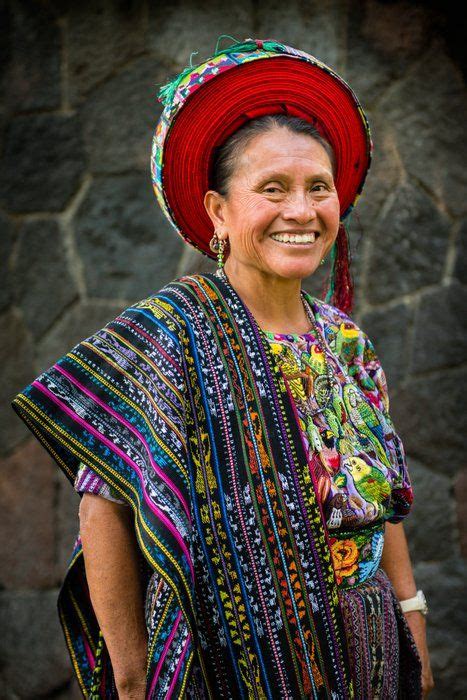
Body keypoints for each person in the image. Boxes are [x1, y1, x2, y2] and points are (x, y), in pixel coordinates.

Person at [10, 36, 434, 699]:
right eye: (273, 188)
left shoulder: (345, 340)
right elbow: (105, 514)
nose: (301, 210)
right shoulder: (169, 336)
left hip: (364, 648)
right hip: (223, 658)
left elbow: (385, 495)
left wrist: (411, 618)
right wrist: (128, 683)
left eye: (316, 187)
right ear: (218, 210)